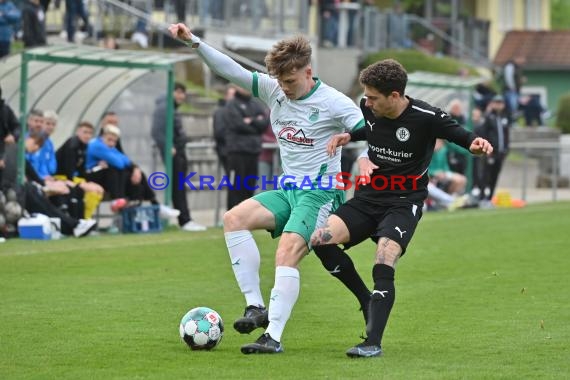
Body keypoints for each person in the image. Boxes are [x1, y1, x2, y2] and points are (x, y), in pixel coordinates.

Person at [168, 23, 365, 354]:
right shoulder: (273, 91)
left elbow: (368, 130)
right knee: (234, 219)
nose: (284, 88)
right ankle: (255, 307)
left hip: (320, 193)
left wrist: (369, 157)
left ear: (308, 72)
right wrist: (194, 42)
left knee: (286, 252)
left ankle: (272, 336)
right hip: (288, 189)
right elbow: (230, 70)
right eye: (280, 81)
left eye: (290, 81)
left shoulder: (334, 102)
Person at [310, 59, 493, 357]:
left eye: (373, 97)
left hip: (403, 202)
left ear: (395, 96)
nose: (366, 102)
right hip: (369, 197)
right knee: (320, 241)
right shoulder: (369, 107)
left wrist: (476, 144)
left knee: (384, 258)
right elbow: (370, 130)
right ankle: (365, 298)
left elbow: (462, 135)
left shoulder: (427, 116)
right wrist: (349, 136)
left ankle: (372, 342)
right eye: (366, 96)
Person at [151, 82, 206, 232]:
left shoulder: (170, 107)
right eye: (179, 92)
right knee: (178, 187)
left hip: (179, 153)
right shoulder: (164, 108)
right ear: (172, 92)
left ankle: (185, 219)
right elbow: (157, 132)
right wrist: (168, 147)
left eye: (183, 93)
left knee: (180, 187)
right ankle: (184, 221)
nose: (182, 96)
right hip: (173, 155)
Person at [222, 85, 269, 209]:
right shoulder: (232, 105)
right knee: (236, 186)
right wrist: (255, 124)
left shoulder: (256, 104)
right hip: (236, 151)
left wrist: (251, 120)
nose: (246, 87)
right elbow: (238, 125)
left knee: (250, 186)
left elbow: (264, 124)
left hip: (253, 151)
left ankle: (245, 218)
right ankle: (232, 216)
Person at [55, 121, 104, 219]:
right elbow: (68, 171)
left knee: (99, 189)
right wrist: (81, 184)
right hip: (61, 177)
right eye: (85, 132)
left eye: (90, 133)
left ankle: (87, 219)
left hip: (73, 178)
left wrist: (87, 181)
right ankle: (85, 220)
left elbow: (82, 171)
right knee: (92, 190)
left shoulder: (84, 147)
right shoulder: (72, 145)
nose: (87, 135)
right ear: (78, 132)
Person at [471, 95, 509, 206]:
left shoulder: (504, 118)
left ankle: (490, 198)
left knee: (495, 175)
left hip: (501, 153)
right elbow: (483, 133)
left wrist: (507, 149)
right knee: (486, 175)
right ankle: (483, 198)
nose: (498, 105)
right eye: (496, 102)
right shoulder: (488, 117)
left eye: (500, 103)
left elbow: (506, 135)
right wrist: (487, 149)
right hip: (491, 152)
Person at [0, 85, 20, 187]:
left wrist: (13, 136)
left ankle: (8, 190)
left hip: (3, 151)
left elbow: (17, 127)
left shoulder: (5, 110)